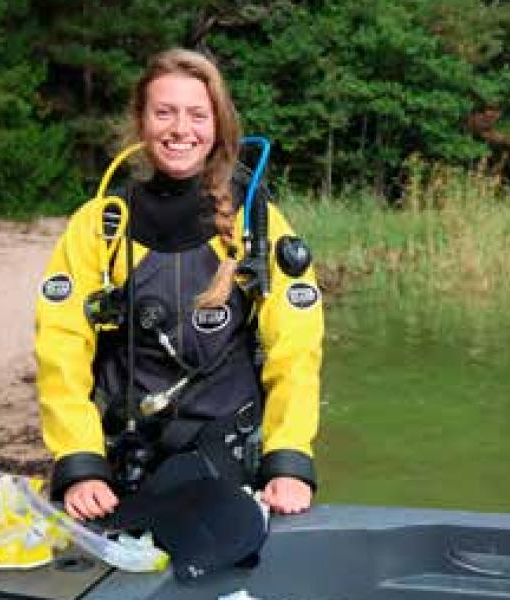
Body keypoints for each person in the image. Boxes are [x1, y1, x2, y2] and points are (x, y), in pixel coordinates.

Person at [34, 48, 323, 524]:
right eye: (164, 112)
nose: (180, 129)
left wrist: (289, 460)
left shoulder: (258, 222)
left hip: (232, 462)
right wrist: (80, 465)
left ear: (219, 124)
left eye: (196, 114)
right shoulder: (101, 224)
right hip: (120, 466)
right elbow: (60, 348)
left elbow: (294, 349)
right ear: (141, 121)